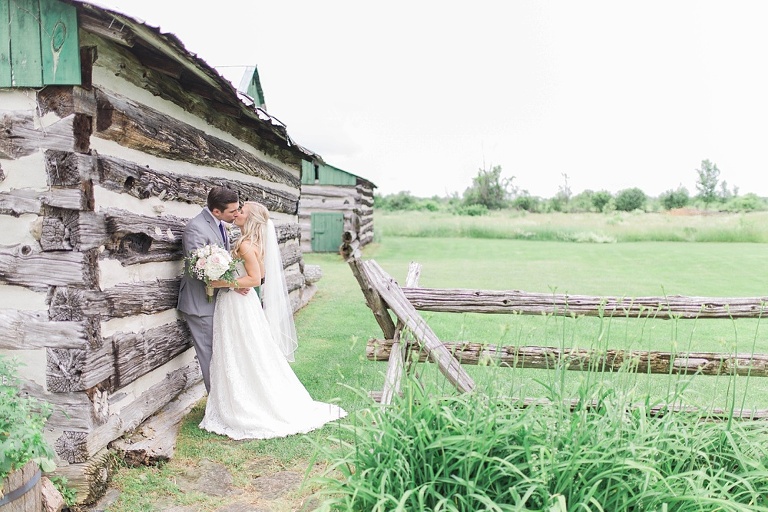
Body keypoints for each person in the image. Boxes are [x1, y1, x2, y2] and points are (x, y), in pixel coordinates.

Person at [199, 201, 347, 440]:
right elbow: (260, 274)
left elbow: (255, 280)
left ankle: (247, 403)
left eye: (242, 211)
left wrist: (222, 282)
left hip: (237, 304)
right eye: (236, 210)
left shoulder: (247, 245)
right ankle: (243, 395)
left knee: (241, 349)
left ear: (250, 219)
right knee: (246, 349)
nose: (237, 213)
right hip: (241, 304)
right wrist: (236, 280)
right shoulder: (253, 243)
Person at [177, 186, 242, 393]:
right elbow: (199, 270)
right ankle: (217, 403)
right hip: (200, 303)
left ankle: (226, 400)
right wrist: (234, 284)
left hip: (216, 300)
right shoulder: (195, 228)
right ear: (216, 211)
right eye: (233, 211)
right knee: (210, 354)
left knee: (221, 352)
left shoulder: (220, 224)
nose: (237, 214)